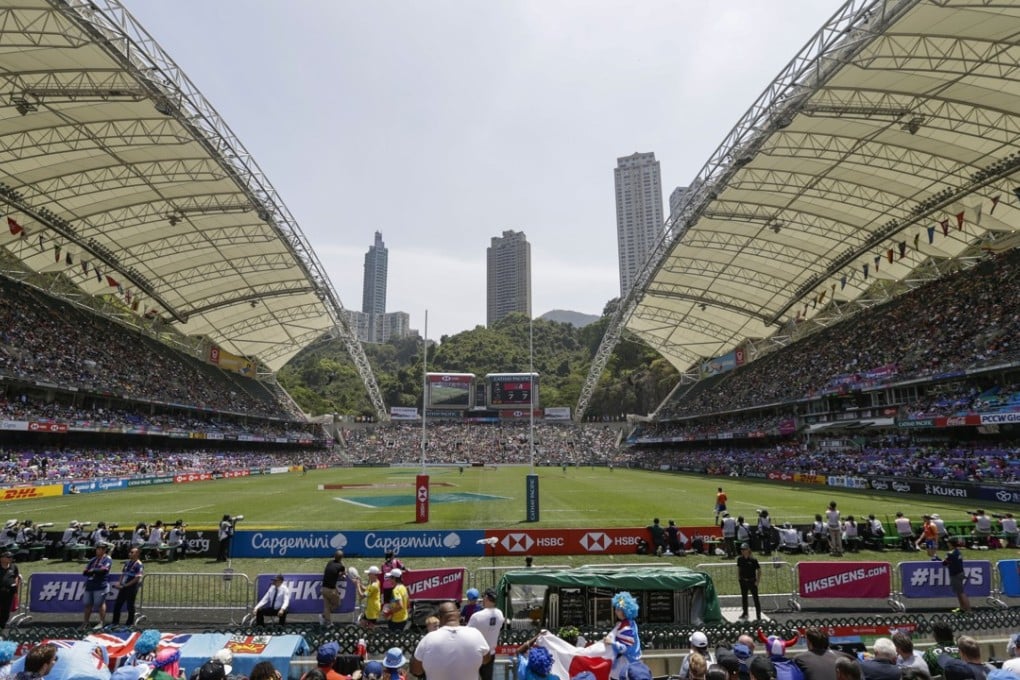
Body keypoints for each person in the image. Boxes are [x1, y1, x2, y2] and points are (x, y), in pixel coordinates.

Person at [410, 600, 491, 680]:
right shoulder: (475, 635)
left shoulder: (428, 639)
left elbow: (416, 670)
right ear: (459, 615)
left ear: (439, 618)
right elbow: (486, 659)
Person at [467, 588, 506, 680]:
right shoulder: (500, 614)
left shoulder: (477, 616)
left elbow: (467, 634)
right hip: (490, 654)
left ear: (486, 597)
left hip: (475, 654)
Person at [603, 591, 641, 680]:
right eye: (616, 609)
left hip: (625, 665)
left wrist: (611, 643)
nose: (616, 611)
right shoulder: (629, 623)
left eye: (619, 609)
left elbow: (626, 648)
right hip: (628, 664)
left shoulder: (626, 625)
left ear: (625, 610)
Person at [82, 542, 112, 629]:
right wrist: (94, 571)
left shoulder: (107, 559)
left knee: (100, 604)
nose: (97, 551)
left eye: (99, 549)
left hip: (100, 585)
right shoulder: (93, 559)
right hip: (90, 585)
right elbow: (85, 572)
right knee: (87, 605)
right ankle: (86, 622)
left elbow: (103, 571)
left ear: (104, 550)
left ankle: (102, 622)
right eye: (97, 549)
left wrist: (92, 571)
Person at [111, 547, 144, 627]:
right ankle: (115, 623)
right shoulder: (127, 562)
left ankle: (129, 623)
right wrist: (119, 583)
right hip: (123, 587)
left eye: (132, 552)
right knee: (118, 605)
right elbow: (123, 574)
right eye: (130, 552)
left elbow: (137, 578)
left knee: (130, 605)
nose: (130, 553)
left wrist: (126, 585)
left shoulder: (139, 564)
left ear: (137, 554)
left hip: (132, 587)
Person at [943, 536, 970, 613]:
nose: (947, 543)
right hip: (960, 573)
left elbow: (944, 563)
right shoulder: (957, 551)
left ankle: (968, 610)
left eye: (948, 542)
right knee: (959, 592)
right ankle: (962, 608)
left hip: (955, 575)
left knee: (961, 593)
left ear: (950, 544)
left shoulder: (950, 553)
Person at [736, 543, 762, 621]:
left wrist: (757, 581)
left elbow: (759, 570)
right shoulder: (740, 559)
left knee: (755, 599)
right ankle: (745, 613)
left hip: (752, 581)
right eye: (742, 550)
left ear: (748, 550)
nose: (743, 551)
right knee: (744, 598)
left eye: (744, 549)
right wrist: (739, 578)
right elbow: (739, 568)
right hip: (743, 581)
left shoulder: (753, 560)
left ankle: (758, 616)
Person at [321, 549, 347, 626]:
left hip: (323, 589)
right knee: (337, 604)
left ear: (334, 556)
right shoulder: (340, 566)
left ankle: (327, 621)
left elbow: (333, 571)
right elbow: (345, 571)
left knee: (326, 606)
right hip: (331, 590)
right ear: (341, 558)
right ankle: (324, 615)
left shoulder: (329, 562)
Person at [0, 551, 21, 629]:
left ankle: (2, 625)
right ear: (2, 558)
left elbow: (16, 576)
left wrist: (15, 586)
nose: (11, 559)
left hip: (9, 591)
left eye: (11, 557)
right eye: (8, 557)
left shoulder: (14, 566)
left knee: (6, 610)